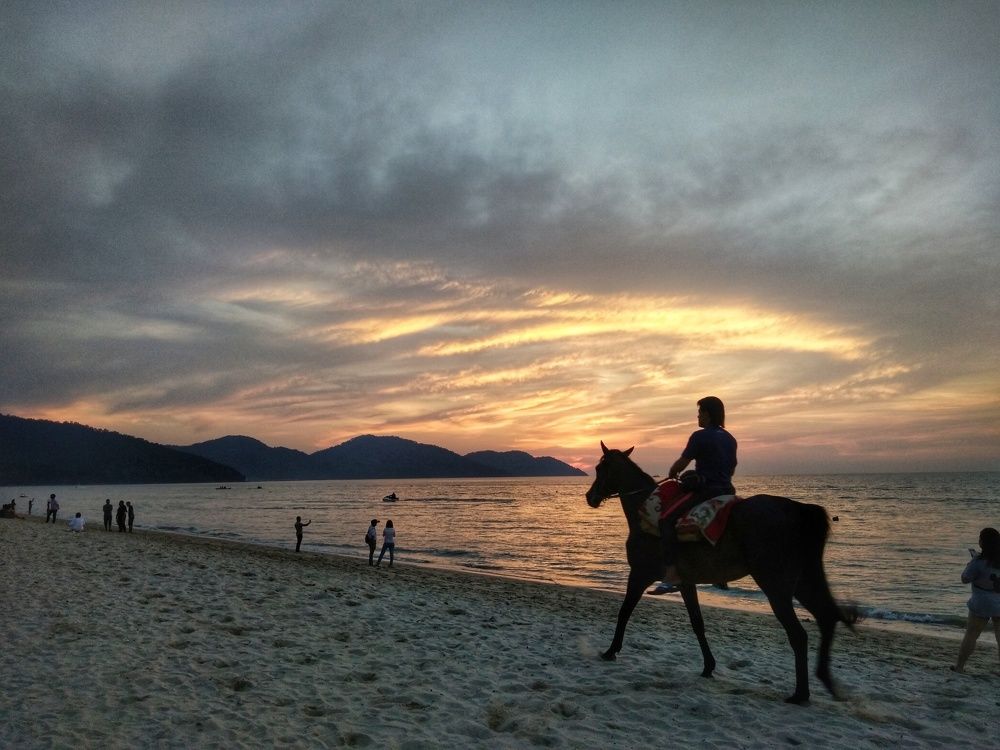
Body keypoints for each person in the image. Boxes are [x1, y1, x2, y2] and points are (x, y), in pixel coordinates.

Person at [658, 396, 737, 585]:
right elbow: (732, 469)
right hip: (728, 491)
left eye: (700, 412)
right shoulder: (730, 438)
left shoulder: (699, 436)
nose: (698, 416)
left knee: (666, 520)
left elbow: (682, 463)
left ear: (708, 415)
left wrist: (673, 471)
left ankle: (671, 573)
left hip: (707, 491)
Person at [953, 527, 1000, 673]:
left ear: (982, 543)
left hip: (981, 603)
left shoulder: (978, 561)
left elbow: (964, 579)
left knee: (971, 635)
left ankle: (960, 667)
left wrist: (971, 562)